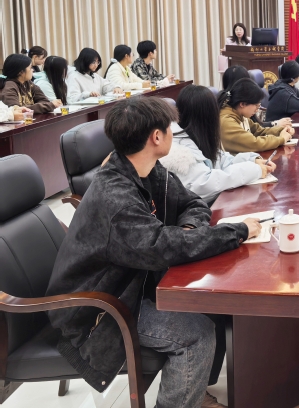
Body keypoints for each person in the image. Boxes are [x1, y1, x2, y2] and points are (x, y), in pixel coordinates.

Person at [46, 96, 260, 408]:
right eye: (171, 128)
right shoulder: (115, 197)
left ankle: (195, 392)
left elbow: (192, 202)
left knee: (214, 302)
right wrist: (236, 231)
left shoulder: (147, 169)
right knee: (196, 334)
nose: (176, 133)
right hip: (101, 309)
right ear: (156, 137)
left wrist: (189, 231)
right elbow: (161, 247)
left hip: (134, 283)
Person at [160, 85, 275, 203]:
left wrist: (252, 160)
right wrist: (253, 170)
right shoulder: (178, 152)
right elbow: (205, 183)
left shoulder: (196, 136)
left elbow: (221, 160)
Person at [220, 78, 295, 153]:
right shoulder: (227, 122)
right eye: (256, 105)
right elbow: (253, 143)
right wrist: (281, 139)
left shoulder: (241, 115)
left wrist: (281, 130)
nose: (257, 110)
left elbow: (259, 131)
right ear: (242, 104)